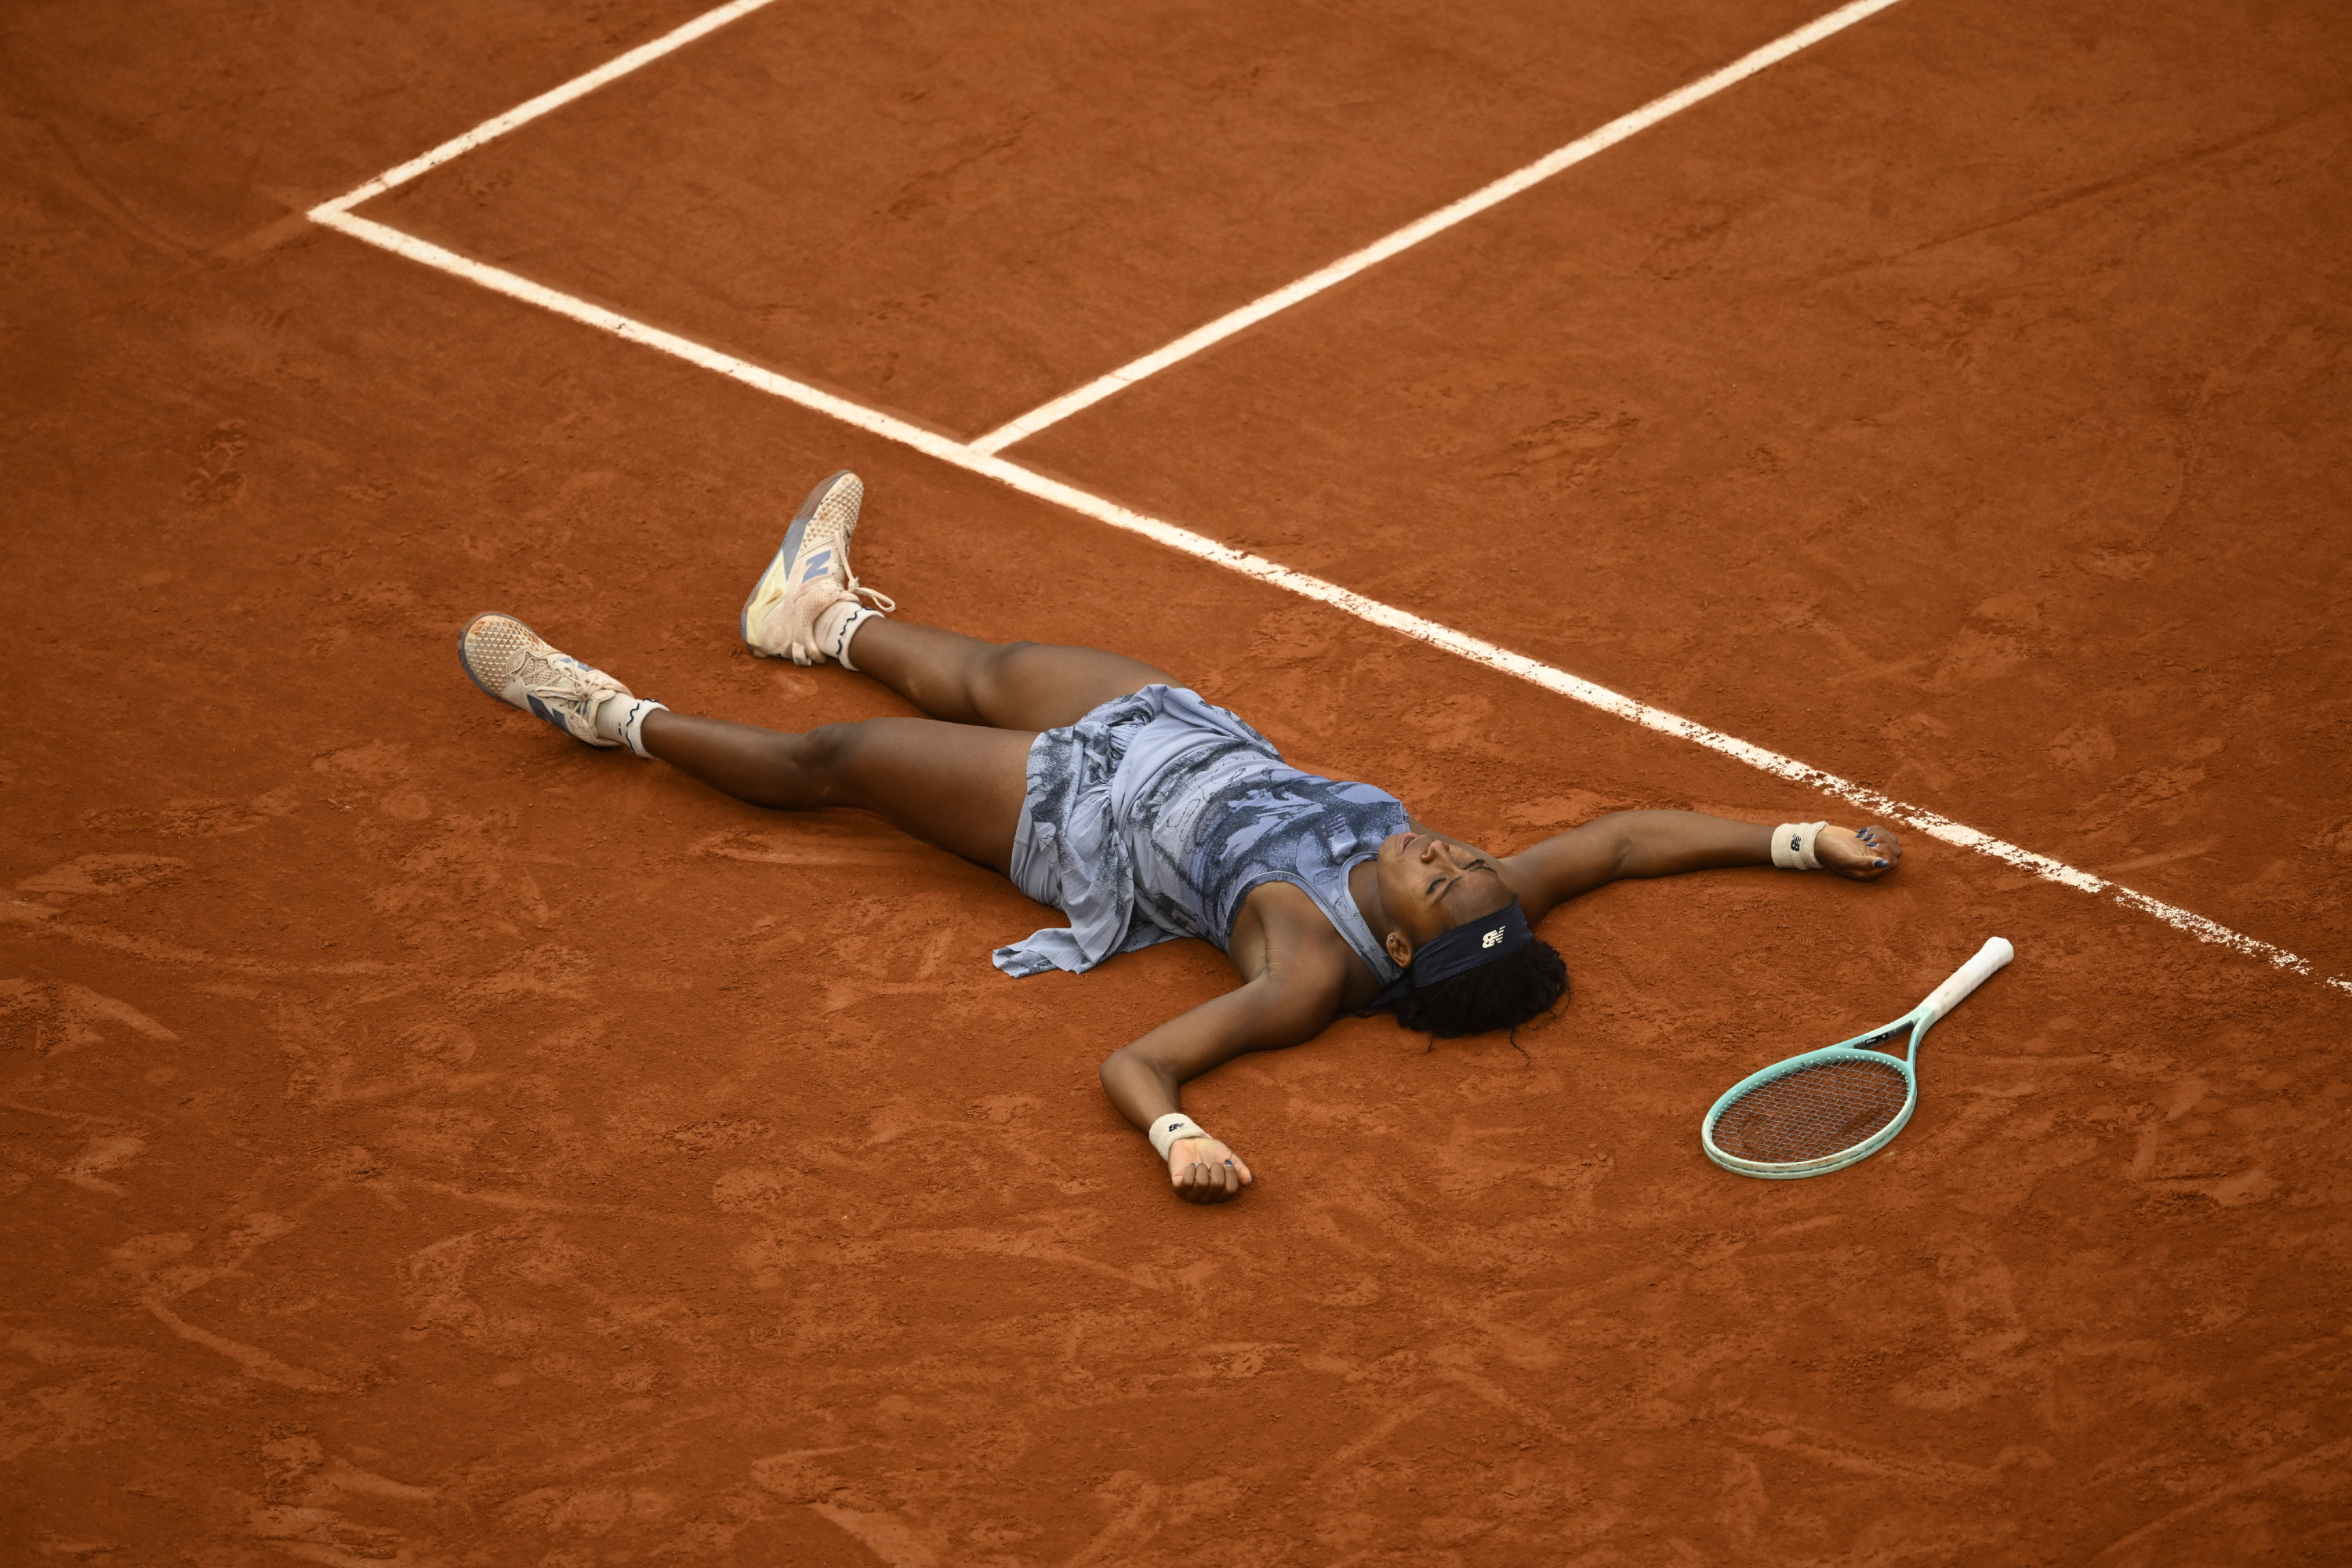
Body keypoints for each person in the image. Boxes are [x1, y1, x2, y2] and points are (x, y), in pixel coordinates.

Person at [458, 472, 1904, 1204]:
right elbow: (1634, 841)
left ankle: (607, 716)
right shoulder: (1484, 906)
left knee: (837, 761)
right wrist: (1794, 837)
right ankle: (812, 614)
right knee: (972, 663)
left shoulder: (1305, 976)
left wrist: (1177, 1137)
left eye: (1442, 877)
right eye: (1465, 866)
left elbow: (1136, 1059)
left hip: (1072, 817)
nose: (1457, 854)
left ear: (1398, 948)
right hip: (1182, 739)